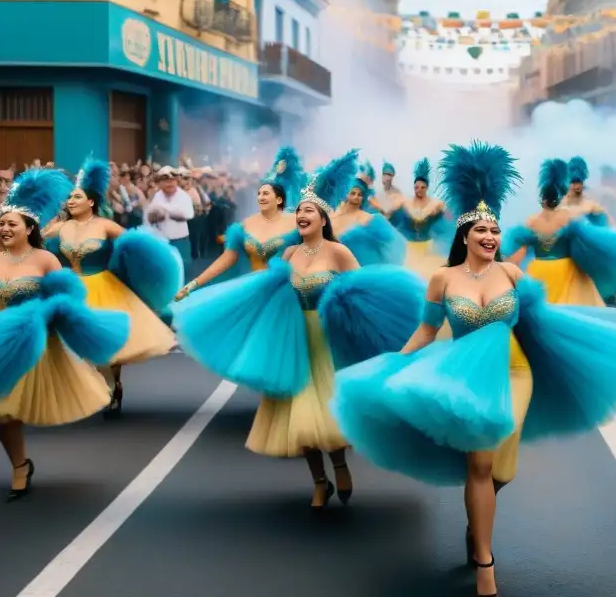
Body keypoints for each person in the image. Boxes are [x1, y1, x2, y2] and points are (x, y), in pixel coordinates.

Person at [331, 141, 616, 597]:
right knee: (480, 464)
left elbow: (540, 326)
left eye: (495, 230)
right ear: (465, 235)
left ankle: (477, 519)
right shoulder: (443, 279)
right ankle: (485, 558)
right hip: (465, 374)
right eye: (481, 229)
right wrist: (395, 363)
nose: (490, 236)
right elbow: (427, 330)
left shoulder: (513, 276)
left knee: (500, 473)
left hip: (515, 374)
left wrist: (584, 344)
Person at [173, 150, 424, 508]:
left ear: (322, 219)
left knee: (328, 410)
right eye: (300, 211)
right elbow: (263, 289)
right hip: (295, 340)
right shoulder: (289, 255)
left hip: (328, 340)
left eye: (309, 211)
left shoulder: (337, 252)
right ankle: (319, 482)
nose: (303, 216)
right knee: (297, 416)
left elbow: (365, 292)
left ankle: (339, 465)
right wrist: (197, 287)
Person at [0, 168, 130, 499]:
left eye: (11, 224)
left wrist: (51, 317)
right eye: (1, 224)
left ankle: (19, 467)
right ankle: (20, 464)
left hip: (34, 344)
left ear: (29, 228)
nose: (4, 229)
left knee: (5, 411)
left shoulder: (45, 260)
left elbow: (68, 301)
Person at [44, 157, 181, 416]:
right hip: (71, 290)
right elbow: (32, 244)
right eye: (69, 198)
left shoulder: (105, 225)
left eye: (76, 197)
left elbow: (136, 246)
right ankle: (89, 390)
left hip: (103, 288)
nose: (70, 201)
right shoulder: (59, 228)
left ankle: (111, 387)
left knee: (104, 342)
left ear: (91, 202)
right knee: (70, 345)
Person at [503, 158, 616, 305]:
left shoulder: (531, 222)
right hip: (566, 272)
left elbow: (516, 257)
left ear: (542, 199)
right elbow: (592, 239)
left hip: (538, 271)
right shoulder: (569, 217)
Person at [176, 147, 304, 296]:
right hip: (253, 291)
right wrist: (195, 283)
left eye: (266, 193)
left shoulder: (296, 222)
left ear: (279, 199)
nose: (261, 197)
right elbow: (227, 259)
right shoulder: (245, 225)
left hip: (285, 294)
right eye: (259, 193)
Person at [389, 158, 453, 278]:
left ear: (427, 188)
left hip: (427, 244)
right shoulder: (405, 202)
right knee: (411, 275)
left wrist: (442, 212)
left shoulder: (436, 203)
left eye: (422, 187)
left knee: (427, 275)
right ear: (414, 187)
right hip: (410, 245)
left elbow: (450, 218)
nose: (419, 190)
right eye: (417, 187)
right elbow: (389, 216)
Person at [144, 167, 195, 279]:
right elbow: (149, 218)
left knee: (183, 270)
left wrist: (165, 210)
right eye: (166, 181)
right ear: (160, 183)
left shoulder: (184, 196)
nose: (170, 183)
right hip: (163, 240)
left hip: (180, 240)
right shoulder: (157, 196)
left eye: (172, 180)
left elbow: (189, 214)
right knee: (164, 271)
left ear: (177, 181)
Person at [558, 156, 609, 225]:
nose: (575, 173)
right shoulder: (561, 197)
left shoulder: (592, 196)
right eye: (573, 170)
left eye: (578, 170)